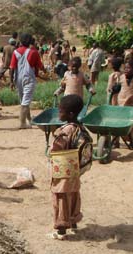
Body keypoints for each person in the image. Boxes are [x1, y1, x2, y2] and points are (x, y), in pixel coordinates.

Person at [49, 95, 85, 240]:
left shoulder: (65, 130)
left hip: (63, 169)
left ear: (70, 114)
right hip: (74, 169)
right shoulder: (79, 127)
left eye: (61, 111)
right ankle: (74, 221)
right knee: (74, 193)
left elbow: (56, 149)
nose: (59, 114)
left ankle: (61, 229)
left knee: (61, 195)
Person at [10, 33, 44, 129]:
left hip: (18, 79)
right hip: (29, 78)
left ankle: (29, 120)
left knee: (24, 100)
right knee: (26, 101)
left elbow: (12, 68)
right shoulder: (34, 52)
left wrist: (11, 81)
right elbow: (39, 66)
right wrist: (43, 72)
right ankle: (22, 123)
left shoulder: (16, 52)